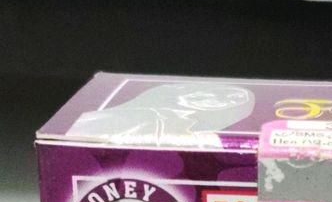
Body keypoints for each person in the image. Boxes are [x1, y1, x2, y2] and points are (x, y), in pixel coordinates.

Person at [67, 81, 255, 145]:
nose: (213, 96)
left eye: (229, 101)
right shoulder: (137, 110)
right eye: (219, 91)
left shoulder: (199, 140)